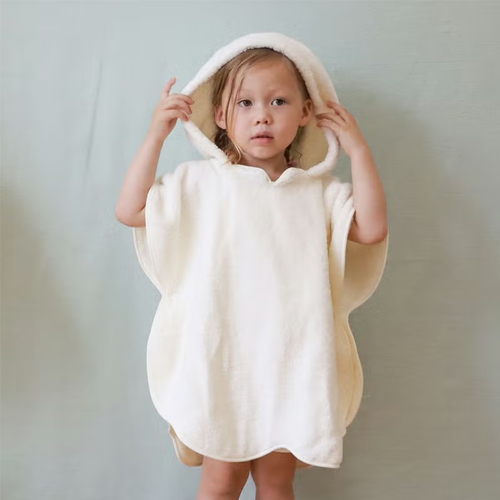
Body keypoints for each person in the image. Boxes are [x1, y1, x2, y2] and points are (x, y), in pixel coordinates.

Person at [116, 32, 389, 500]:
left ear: (306, 112)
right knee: (221, 481)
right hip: (226, 361)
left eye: (279, 101)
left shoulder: (315, 192)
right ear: (221, 116)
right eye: (245, 103)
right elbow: (131, 210)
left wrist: (359, 151)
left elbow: (371, 228)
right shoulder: (202, 183)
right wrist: (156, 136)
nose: (262, 114)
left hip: (290, 361)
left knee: (276, 483)